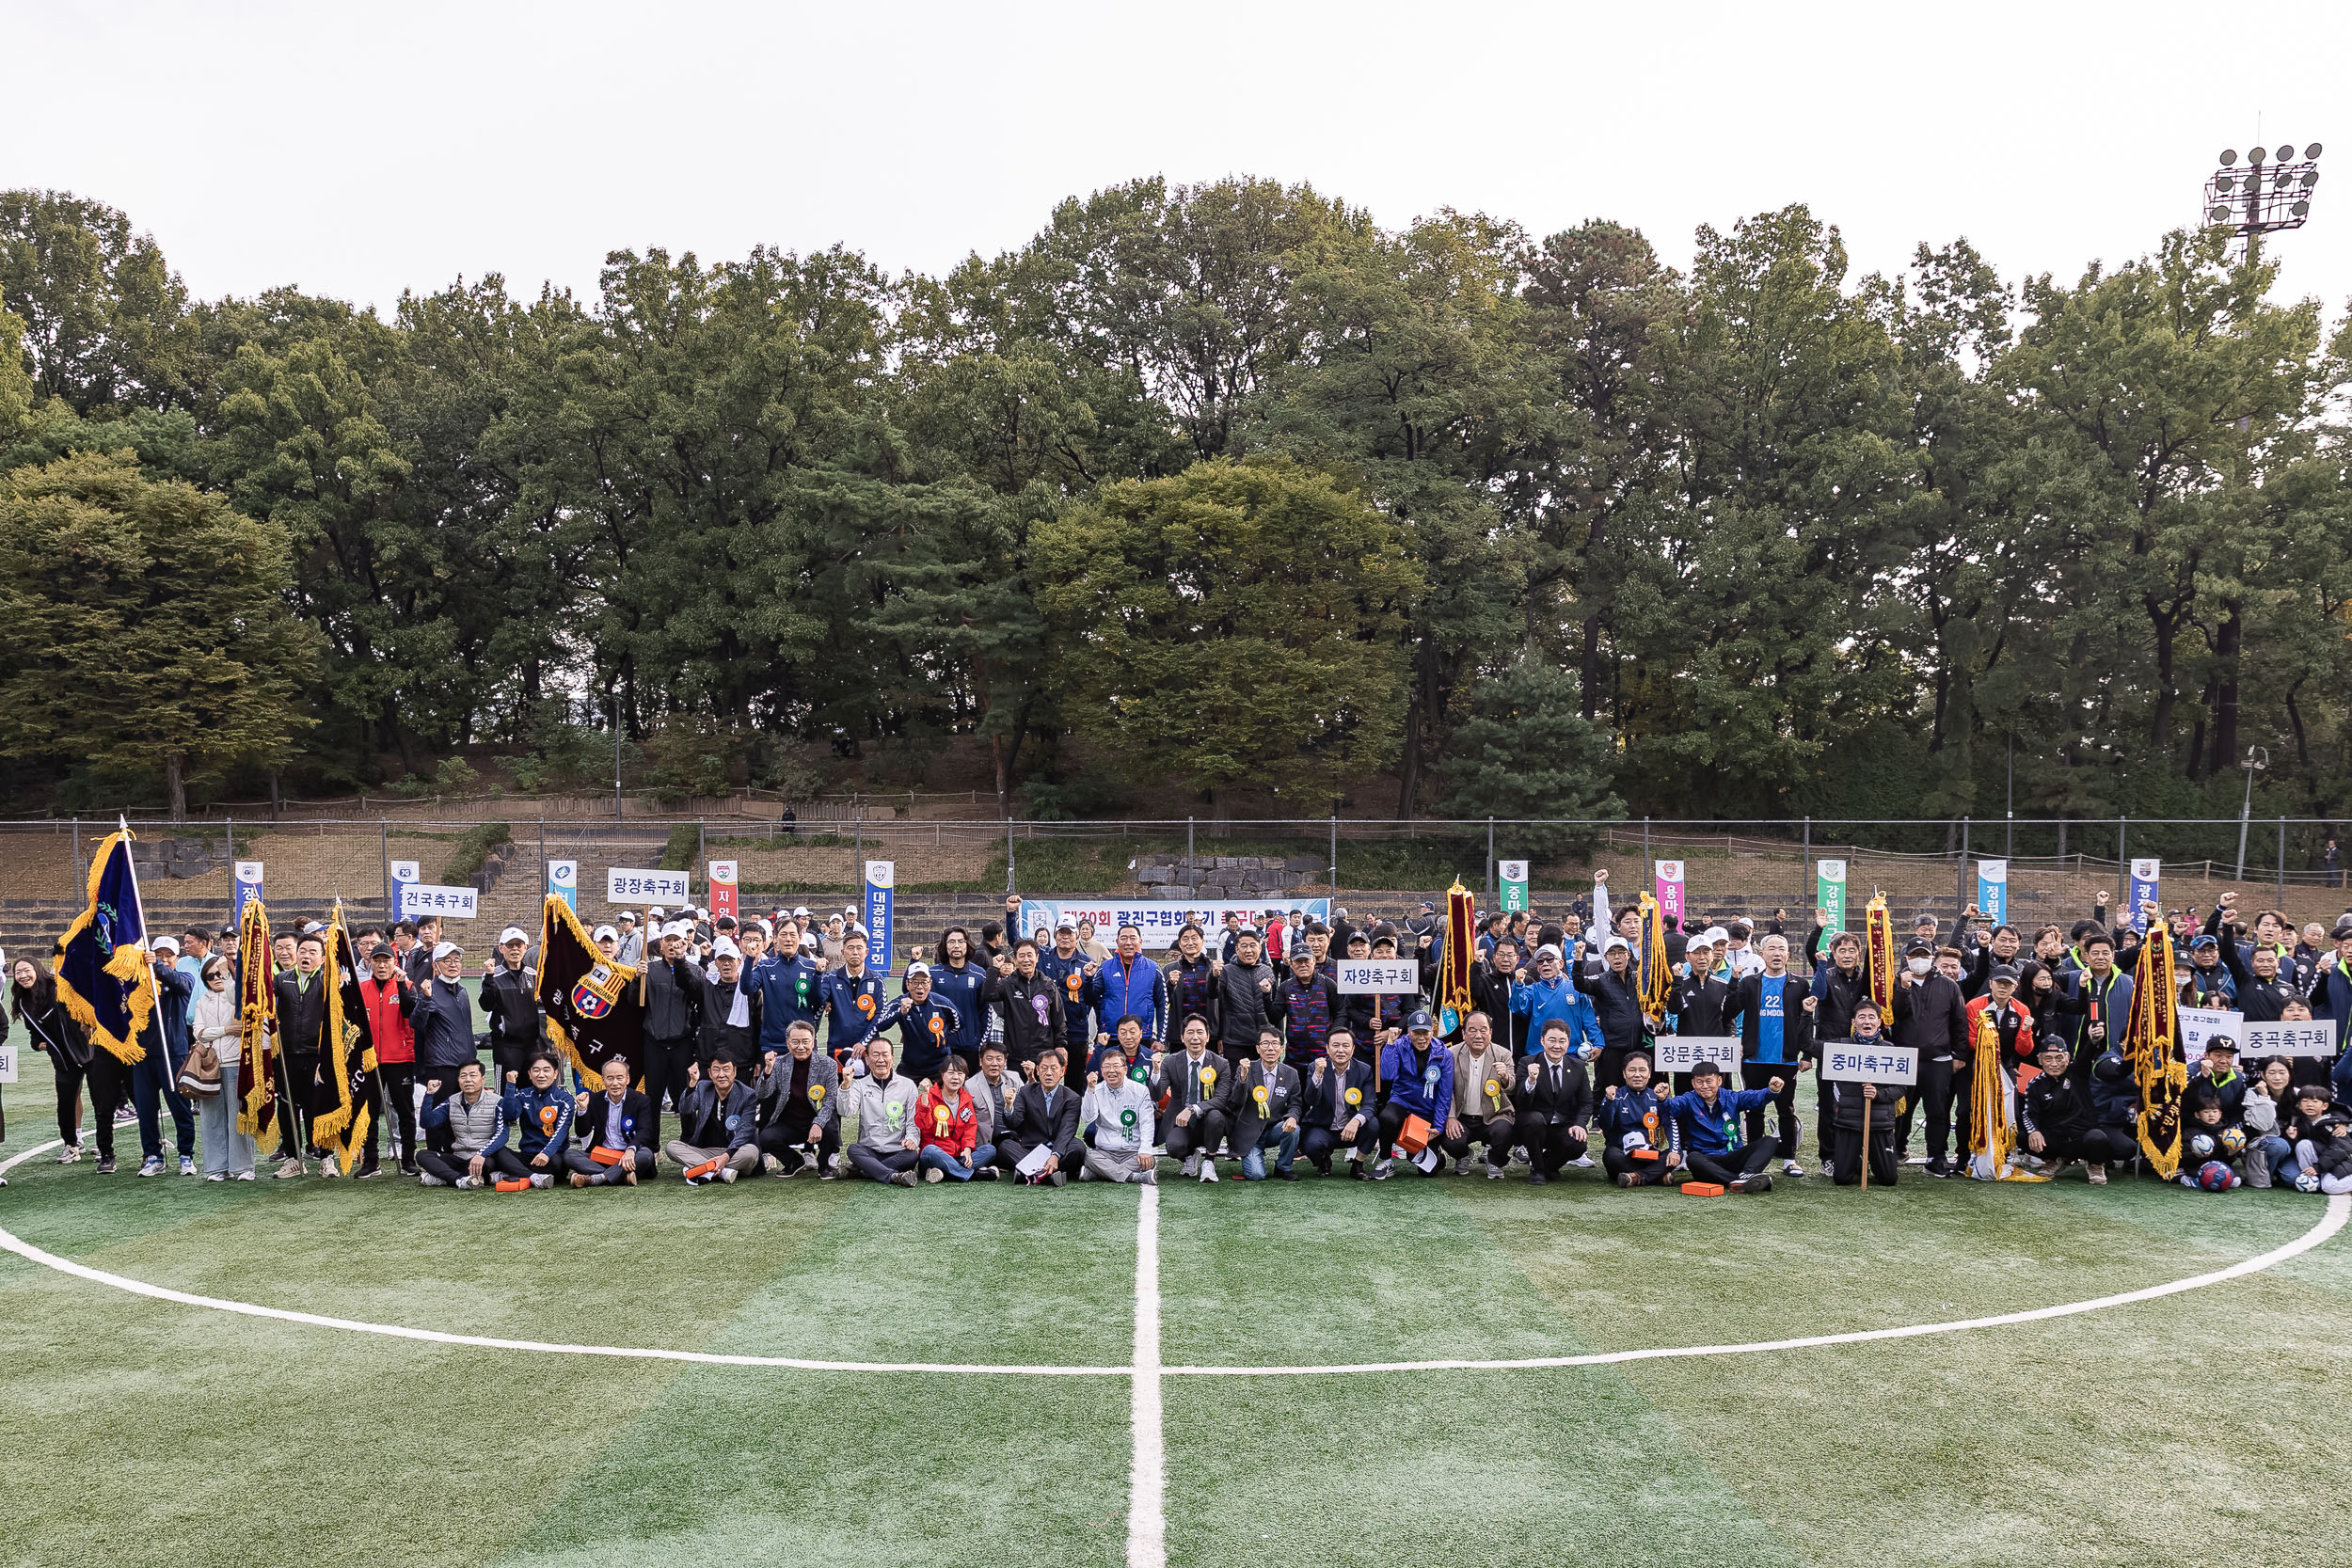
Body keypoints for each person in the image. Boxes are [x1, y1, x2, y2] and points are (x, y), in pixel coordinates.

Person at [1723, 932, 1814, 1176]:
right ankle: (1753, 1157)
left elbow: (1807, 1021)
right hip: (1753, 1059)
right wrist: (1733, 981)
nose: (1776, 953)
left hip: (1784, 1059)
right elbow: (1730, 1010)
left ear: (1788, 954)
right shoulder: (1750, 983)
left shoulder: (1800, 985)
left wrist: (1806, 1054)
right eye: (1771, 949)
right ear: (1762, 954)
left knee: (1786, 1109)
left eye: (1781, 949)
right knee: (1755, 1110)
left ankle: (1789, 1159)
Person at [1891, 936, 1970, 1175]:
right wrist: (1902, 989)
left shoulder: (1948, 985)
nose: (1920, 960)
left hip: (1938, 1059)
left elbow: (1959, 1022)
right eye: (1915, 956)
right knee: (1901, 1109)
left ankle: (1935, 1155)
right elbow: (1893, 1015)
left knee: (1937, 1111)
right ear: (1906, 959)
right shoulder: (1897, 982)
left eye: (1924, 956)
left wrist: (1959, 1055)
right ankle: (1896, 1149)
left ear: (1932, 958)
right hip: (1905, 1058)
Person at [2019, 1035, 2132, 1182]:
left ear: (2067, 1058)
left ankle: (2095, 1165)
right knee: (2022, 1136)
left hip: (2083, 1137)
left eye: (2059, 1058)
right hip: (2056, 1138)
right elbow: (2029, 1114)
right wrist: (2034, 1131)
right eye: (2048, 1059)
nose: (2054, 1064)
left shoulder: (2077, 1072)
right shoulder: (2035, 1084)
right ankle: (2052, 1160)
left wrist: (2092, 1041)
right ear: (2040, 1060)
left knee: (2103, 1140)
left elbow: (2085, 1058)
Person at [12, 957, 92, 1163]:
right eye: (18, 972)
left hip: (88, 1049)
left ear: (37, 969)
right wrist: (37, 1043)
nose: (22, 976)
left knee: (103, 1100)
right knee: (66, 1101)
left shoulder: (58, 986)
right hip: (62, 1059)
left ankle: (105, 1147)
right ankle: (72, 1144)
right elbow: (34, 1031)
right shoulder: (23, 1001)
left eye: (26, 970)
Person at [130, 938, 198, 1177]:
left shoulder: (183, 979)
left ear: (177, 959)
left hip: (173, 1053)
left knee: (180, 1108)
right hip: (142, 1055)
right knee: (146, 1110)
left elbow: (180, 983)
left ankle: (186, 1155)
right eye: (159, 954)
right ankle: (153, 1156)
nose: (165, 958)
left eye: (169, 955)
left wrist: (157, 965)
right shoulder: (139, 983)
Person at [185, 955, 255, 1180]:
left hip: (236, 1063)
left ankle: (243, 1167)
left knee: (239, 1116)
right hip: (210, 1067)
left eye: (220, 973)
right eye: (210, 975)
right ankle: (216, 1168)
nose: (215, 978)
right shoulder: (201, 1001)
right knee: (211, 1119)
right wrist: (226, 1030)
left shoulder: (236, 996)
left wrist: (228, 975)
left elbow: (238, 1008)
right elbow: (199, 1032)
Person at [1667, 1060, 1784, 1193]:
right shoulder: (1688, 1099)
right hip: (1707, 1160)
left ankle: (1747, 1174)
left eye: (1709, 1081)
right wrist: (1662, 1099)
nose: (1705, 1086)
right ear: (1693, 1083)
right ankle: (1738, 1181)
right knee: (1693, 1158)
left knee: (1769, 1141)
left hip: (1733, 1155)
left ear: (1719, 1081)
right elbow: (1671, 1107)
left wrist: (1771, 1091)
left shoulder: (1731, 1097)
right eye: (1700, 1082)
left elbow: (1754, 1097)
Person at [357, 942, 420, 1173]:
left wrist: (402, 985)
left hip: (400, 1058)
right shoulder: (361, 989)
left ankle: (408, 1160)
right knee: (369, 1112)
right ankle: (371, 1161)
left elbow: (409, 1012)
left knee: (404, 1111)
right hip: (370, 1060)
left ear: (395, 963)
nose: (382, 965)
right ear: (370, 963)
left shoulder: (408, 985)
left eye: (387, 960)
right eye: (377, 961)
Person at [755, 1019, 841, 1178]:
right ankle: (794, 1161)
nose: (800, 1047)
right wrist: (767, 1071)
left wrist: (818, 1123)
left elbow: (830, 1101)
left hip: (817, 1120)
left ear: (813, 1042)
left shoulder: (828, 1064)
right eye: (795, 1042)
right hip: (790, 1124)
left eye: (805, 1041)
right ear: (788, 1043)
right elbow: (762, 1094)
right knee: (765, 1138)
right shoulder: (779, 1063)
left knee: (830, 1130)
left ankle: (824, 1165)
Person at [1373, 1009, 1454, 1180]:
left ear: (1433, 1032)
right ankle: (1386, 1160)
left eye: (1426, 1032)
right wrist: (1389, 1044)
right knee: (1387, 1117)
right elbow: (1387, 1075)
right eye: (1416, 1033)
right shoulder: (1399, 1045)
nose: (1421, 1038)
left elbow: (1444, 1094)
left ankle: (1435, 1153)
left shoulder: (1444, 1054)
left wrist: (1438, 1127)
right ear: (1409, 1032)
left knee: (1428, 1172)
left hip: (1426, 1110)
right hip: (1402, 1102)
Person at [1511, 1021, 1593, 1184]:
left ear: (1568, 1042)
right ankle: (1538, 1170)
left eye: (1562, 1041)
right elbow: (1520, 1102)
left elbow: (1587, 1102)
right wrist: (1531, 1081)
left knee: (1578, 1144)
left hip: (1562, 1126)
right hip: (1533, 1126)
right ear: (1542, 1041)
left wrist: (1580, 1124)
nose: (1557, 1046)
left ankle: (1548, 1165)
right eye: (1552, 1040)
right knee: (1534, 1120)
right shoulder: (1527, 1063)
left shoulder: (1577, 1067)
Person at [1155, 1013, 1232, 1181]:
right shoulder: (1171, 1061)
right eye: (1190, 1033)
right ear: (1182, 1037)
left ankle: (1209, 1161)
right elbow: (1158, 1094)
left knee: (1216, 1116)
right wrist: (1155, 1071)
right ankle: (1190, 1155)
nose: (1195, 1038)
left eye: (1199, 1032)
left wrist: (1193, 1109)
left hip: (1208, 1119)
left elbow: (1221, 1099)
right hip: (1180, 1120)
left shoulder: (1221, 1064)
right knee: (1173, 1147)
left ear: (1207, 1036)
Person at [482, 1049, 573, 1189]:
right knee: (498, 1151)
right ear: (530, 1074)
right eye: (536, 1070)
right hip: (527, 1156)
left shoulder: (565, 1099)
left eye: (546, 1070)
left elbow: (561, 1132)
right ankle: (533, 1178)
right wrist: (511, 1086)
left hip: (551, 1157)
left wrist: (546, 1153)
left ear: (555, 1074)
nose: (541, 1075)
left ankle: (512, 1174)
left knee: (557, 1163)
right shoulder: (522, 1095)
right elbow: (509, 1115)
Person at [1443, 1011, 1518, 1179]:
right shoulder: (1450, 1054)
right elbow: (1445, 1089)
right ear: (1463, 1034)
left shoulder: (1503, 1054)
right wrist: (1450, 1117)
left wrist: (1505, 1077)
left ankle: (1495, 1161)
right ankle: (1463, 1155)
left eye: (1483, 1030)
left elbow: (1512, 1088)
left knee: (1506, 1131)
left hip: (1494, 1116)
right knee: (1450, 1138)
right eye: (1472, 1030)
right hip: (1461, 1117)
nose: (1478, 1035)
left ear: (1490, 1032)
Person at [1222, 1026, 1302, 1180]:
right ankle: (1254, 1156)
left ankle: (1283, 1166)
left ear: (1282, 1048)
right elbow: (1235, 1102)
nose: (1270, 1048)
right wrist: (1243, 1079)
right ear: (1258, 1049)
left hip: (1275, 1129)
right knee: (1256, 1175)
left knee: (1295, 1129)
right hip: (1250, 1132)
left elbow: (1295, 1103)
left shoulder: (1291, 1074)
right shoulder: (1246, 1069)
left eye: (1275, 1044)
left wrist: (1292, 1116)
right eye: (1265, 1044)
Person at [669, 1053, 760, 1184]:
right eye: (716, 1070)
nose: (721, 1075)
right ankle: (722, 1172)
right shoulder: (702, 1087)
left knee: (751, 1152)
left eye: (726, 1069)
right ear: (710, 1073)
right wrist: (692, 1084)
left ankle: (702, 1169)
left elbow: (746, 1130)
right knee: (672, 1147)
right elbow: (685, 1109)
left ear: (734, 1071)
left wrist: (725, 1156)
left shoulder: (747, 1094)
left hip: (734, 1152)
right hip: (706, 1151)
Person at [1596, 1049, 1683, 1187]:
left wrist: (1674, 1150)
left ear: (1649, 1074)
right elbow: (1605, 1125)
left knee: (1677, 1153)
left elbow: (1670, 1124)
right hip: (1622, 1155)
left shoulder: (1656, 1097)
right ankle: (1657, 1176)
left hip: (1650, 1155)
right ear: (1624, 1074)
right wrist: (1608, 1102)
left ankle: (1638, 1178)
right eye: (1632, 1070)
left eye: (1642, 1070)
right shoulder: (1615, 1095)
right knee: (1610, 1155)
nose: (1637, 1075)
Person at [866, 961, 961, 1085]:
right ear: (907, 984)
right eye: (915, 982)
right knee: (895, 1095)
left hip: (940, 1063)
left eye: (924, 982)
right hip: (910, 1065)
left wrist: (943, 1036)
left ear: (930, 983)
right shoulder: (899, 1003)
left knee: (948, 1096)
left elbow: (958, 1024)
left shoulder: (943, 1004)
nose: (919, 987)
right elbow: (880, 1025)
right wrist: (900, 1012)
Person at [841, 1037, 921, 1185]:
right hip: (869, 1150)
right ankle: (894, 1176)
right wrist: (846, 1085)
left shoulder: (908, 1085)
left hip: (898, 1151)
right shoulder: (860, 1085)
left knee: (912, 1155)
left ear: (892, 1057)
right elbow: (846, 1111)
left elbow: (912, 1120)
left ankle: (865, 1170)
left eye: (885, 1054)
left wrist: (911, 1139)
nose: (881, 1060)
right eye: (875, 1055)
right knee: (853, 1150)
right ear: (867, 1059)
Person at [1299, 1027, 1377, 1179]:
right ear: (1327, 1048)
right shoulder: (1314, 1068)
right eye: (1335, 1045)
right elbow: (1310, 1100)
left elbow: (1370, 1103)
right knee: (1311, 1144)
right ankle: (1324, 1160)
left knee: (1373, 1125)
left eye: (1346, 1046)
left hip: (1352, 1128)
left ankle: (1358, 1164)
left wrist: (1356, 1121)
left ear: (1353, 1049)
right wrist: (1318, 1075)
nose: (1340, 1050)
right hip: (1325, 1128)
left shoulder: (1364, 1070)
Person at [1002, 1047, 1086, 1186]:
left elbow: (1067, 1129)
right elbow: (1014, 1123)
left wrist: (1055, 1155)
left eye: (1054, 1068)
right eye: (1044, 1068)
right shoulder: (1026, 1092)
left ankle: (1028, 1173)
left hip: (1058, 1149)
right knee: (1005, 1145)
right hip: (1031, 1149)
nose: (1048, 1073)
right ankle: (1049, 1176)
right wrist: (1009, 1106)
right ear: (1038, 1071)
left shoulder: (1072, 1098)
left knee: (1078, 1147)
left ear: (1062, 1072)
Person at [566, 1055, 655, 1186]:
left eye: (619, 1078)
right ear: (603, 1080)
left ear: (627, 1079)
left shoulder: (641, 1100)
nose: (615, 1083)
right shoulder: (595, 1099)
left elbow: (645, 1131)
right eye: (610, 1078)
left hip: (628, 1156)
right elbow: (582, 1132)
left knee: (646, 1154)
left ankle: (598, 1178)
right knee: (569, 1155)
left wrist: (631, 1150)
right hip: (601, 1156)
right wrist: (582, 1109)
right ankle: (620, 1176)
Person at [411, 940, 478, 1113]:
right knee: (441, 1114)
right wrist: (425, 998)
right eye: (446, 960)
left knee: (462, 1114)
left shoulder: (462, 991)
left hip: (464, 1063)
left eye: (456, 959)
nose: (453, 964)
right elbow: (417, 1022)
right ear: (436, 965)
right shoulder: (430, 991)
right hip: (442, 1065)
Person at [417, 1060, 502, 1187]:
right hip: (458, 1157)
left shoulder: (497, 1101)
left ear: (483, 1079)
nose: (468, 1080)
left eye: (473, 1075)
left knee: (489, 1163)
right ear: (458, 1081)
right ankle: (460, 1179)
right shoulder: (452, 1101)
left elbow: (502, 1134)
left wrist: (482, 1154)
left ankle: (443, 1178)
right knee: (422, 1155)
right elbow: (427, 1122)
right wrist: (429, 1095)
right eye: (463, 1076)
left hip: (482, 1157)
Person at [1080, 1044, 1157, 1183]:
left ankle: (1100, 1172)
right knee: (1089, 1156)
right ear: (1101, 1070)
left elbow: (1147, 1123)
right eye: (1107, 1067)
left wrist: (1145, 1149)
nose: (1111, 1071)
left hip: (1132, 1152)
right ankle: (1135, 1177)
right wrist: (1090, 1090)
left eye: (1116, 1066)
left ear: (1125, 1069)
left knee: (1148, 1161)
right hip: (1105, 1151)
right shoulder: (1095, 1090)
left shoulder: (1140, 1090)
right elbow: (1087, 1118)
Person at [984, 937, 1065, 1071]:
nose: (1026, 960)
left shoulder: (1048, 985)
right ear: (1015, 959)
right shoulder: (1008, 984)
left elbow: (1059, 1018)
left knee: (1043, 1091)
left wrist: (1060, 1044)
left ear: (1037, 958)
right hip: (1016, 1055)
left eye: (1029, 955)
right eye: (1021, 956)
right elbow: (988, 995)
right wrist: (994, 969)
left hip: (1043, 1055)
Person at [479, 927, 542, 1085]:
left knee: (532, 1092)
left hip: (532, 1046)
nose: (515, 949)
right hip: (506, 1046)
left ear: (525, 948)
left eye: (519, 945)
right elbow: (486, 1005)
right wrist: (489, 978)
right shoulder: (493, 975)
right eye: (510, 945)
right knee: (506, 1092)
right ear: (501, 948)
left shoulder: (533, 975)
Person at [1089, 924, 1168, 1052]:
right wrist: (1088, 980)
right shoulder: (1105, 968)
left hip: (1143, 1036)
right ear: (1117, 941)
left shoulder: (1153, 969)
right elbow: (1092, 999)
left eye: (1133, 938)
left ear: (1140, 942)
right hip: (1110, 1036)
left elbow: (1162, 1004)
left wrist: (1160, 1039)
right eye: (1124, 938)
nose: (1128, 943)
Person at [916, 1054, 993, 1182]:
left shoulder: (966, 1099)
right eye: (951, 1073)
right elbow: (923, 1125)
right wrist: (924, 1095)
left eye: (960, 1074)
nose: (956, 1078)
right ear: (942, 1075)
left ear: (965, 1077)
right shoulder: (929, 1096)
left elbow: (970, 1129)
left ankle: (946, 1172)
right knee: (929, 1150)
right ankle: (973, 1175)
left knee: (990, 1150)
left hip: (958, 1156)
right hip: (935, 1155)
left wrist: (967, 1150)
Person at [1270, 943, 1343, 1069]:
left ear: (1313, 960)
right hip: (1294, 1057)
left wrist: (1333, 1039)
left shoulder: (1328, 984)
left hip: (1323, 1057)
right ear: (1291, 964)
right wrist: (1266, 995)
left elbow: (1340, 1013)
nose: (1303, 965)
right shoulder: (1286, 987)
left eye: (1306, 960)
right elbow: (1275, 1017)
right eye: (1298, 961)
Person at [818, 932, 886, 1063]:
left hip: (868, 1048)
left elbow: (880, 1015)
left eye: (859, 948)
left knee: (871, 1083)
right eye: (850, 948)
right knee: (836, 1084)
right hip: (837, 1048)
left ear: (866, 952)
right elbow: (818, 1000)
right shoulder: (830, 979)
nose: (855, 952)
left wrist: (864, 1042)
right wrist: (817, 976)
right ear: (843, 952)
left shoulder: (877, 980)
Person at [967, 1044, 1022, 1177]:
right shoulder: (970, 1086)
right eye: (989, 1059)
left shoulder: (1014, 1078)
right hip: (988, 1144)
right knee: (1004, 1146)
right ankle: (1032, 1170)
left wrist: (1031, 1078)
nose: (994, 1064)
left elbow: (1028, 1104)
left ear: (1005, 1061)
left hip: (1015, 1138)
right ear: (981, 1061)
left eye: (999, 1059)